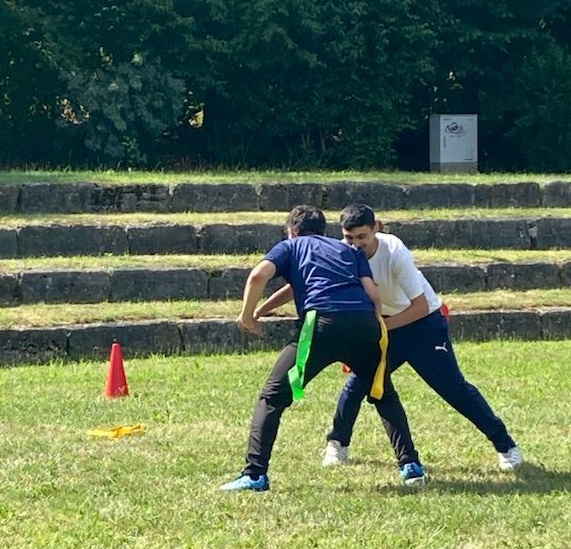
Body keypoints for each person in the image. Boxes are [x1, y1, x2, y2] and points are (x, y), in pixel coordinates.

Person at [220, 205, 426, 491]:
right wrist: (369, 332)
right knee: (383, 394)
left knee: (272, 397)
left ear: (291, 231)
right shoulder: (349, 251)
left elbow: (257, 276)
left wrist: (247, 317)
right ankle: (411, 465)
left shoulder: (290, 246)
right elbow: (373, 295)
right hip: (365, 322)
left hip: (320, 325)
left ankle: (255, 474)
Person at [322, 203, 523, 471]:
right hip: (386, 325)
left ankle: (506, 446)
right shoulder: (342, 254)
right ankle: (337, 443)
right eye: (349, 238)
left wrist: (380, 329)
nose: (356, 245)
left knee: (453, 388)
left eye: (362, 237)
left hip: (423, 324)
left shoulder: (394, 250)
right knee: (358, 384)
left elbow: (420, 306)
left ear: (376, 229)